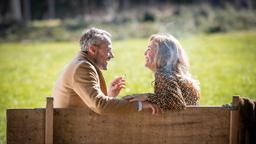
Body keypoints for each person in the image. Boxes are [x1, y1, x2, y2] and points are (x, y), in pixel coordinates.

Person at [52, 27, 160, 115]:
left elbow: (91, 103)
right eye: (108, 50)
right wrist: (139, 105)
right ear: (93, 50)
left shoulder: (79, 63)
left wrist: (109, 95)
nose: (112, 55)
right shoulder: (82, 67)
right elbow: (101, 106)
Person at [125, 33, 200, 111]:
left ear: (161, 54)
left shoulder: (163, 75)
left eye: (149, 49)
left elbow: (177, 103)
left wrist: (147, 96)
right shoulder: (172, 75)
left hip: (181, 122)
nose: (145, 53)